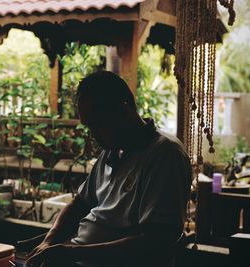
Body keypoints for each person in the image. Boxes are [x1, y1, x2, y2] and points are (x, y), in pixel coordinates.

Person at [26, 71, 192, 267]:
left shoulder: (165, 154)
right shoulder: (112, 149)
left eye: (97, 124)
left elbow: (155, 241)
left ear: (123, 111)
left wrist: (72, 253)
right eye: (89, 127)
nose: (93, 135)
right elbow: (80, 203)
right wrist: (49, 240)